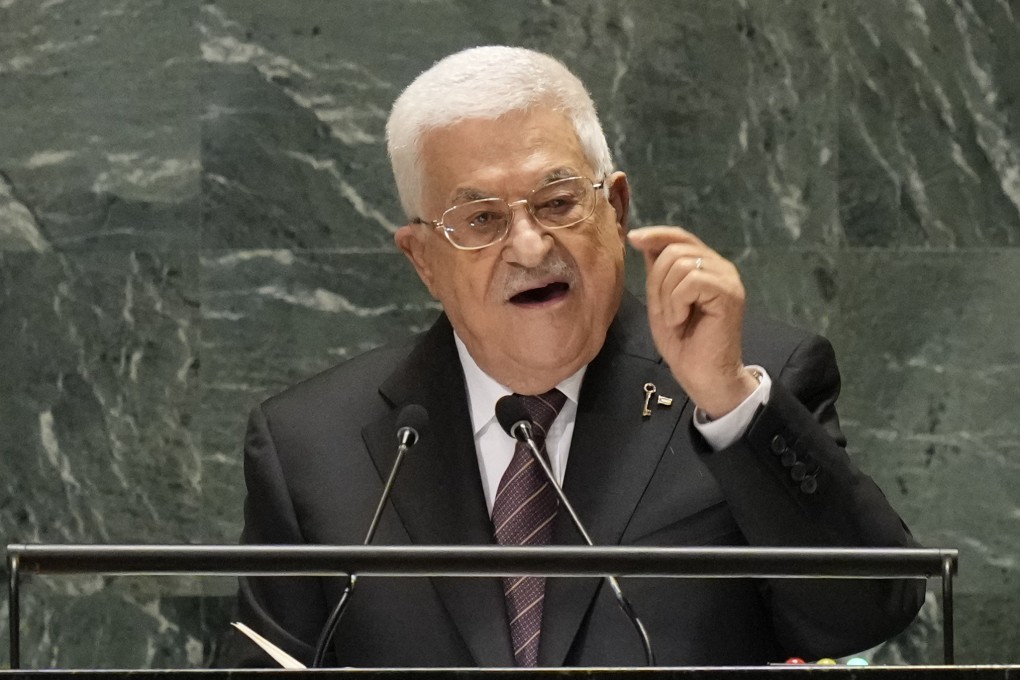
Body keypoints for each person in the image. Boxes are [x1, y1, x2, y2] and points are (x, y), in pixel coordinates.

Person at [233, 45, 923, 668]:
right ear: (423, 259)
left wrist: (730, 402)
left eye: (558, 202)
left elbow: (866, 612)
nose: (530, 247)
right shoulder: (312, 446)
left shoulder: (746, 386)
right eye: (482, 220)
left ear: (616, 209)